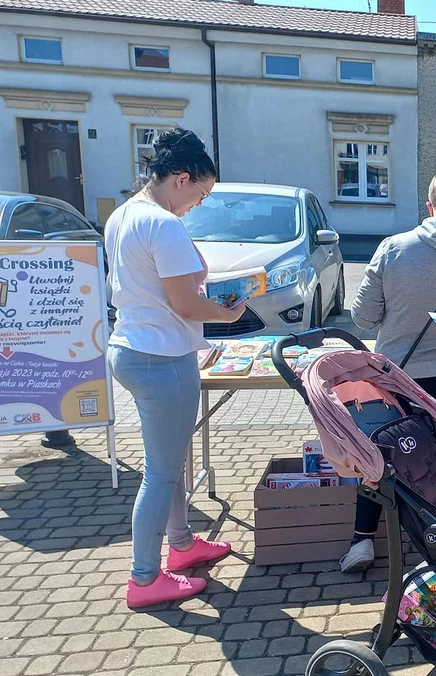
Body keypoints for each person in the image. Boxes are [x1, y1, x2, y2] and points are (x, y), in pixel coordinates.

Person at [104, 128, 242, 608]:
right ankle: (144, 578)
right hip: (161, 356)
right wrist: (227, 312)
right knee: (161, 473)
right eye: (201, 194)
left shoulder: (124, 215)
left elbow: (173, 282)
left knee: (170, 461)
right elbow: (186, 303)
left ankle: (182, 545)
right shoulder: (162, 224)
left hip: (134, 347)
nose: (199, 204)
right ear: (181, 179)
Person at [341, 170, 436, 572]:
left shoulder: (393, 249)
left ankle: (362, 541)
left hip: (397, 374)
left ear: (429, 206)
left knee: (380, 450)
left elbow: (364, 318)